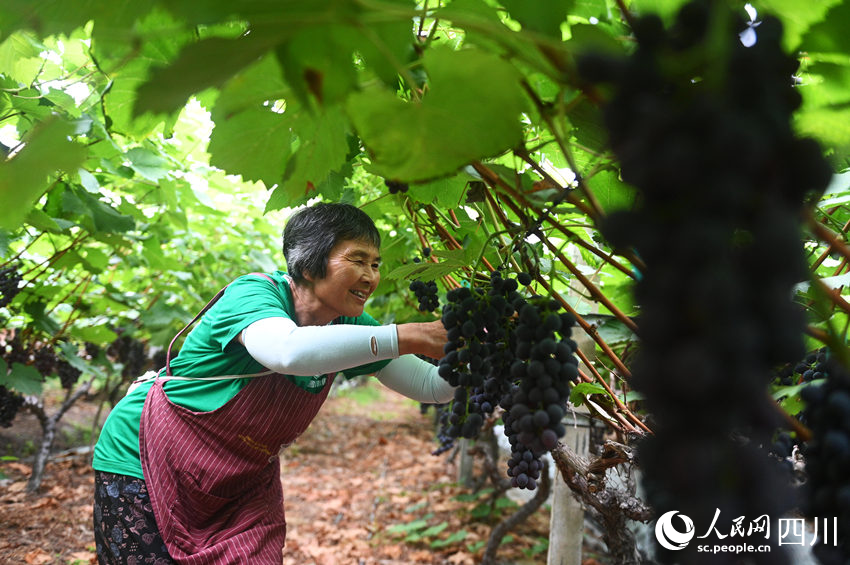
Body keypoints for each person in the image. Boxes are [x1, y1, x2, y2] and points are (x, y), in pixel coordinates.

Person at [91, 202, 454, 564]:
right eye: (357, 260)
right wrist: (410, 335)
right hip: (143, 458)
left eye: (375, 264)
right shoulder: (254, 294)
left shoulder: (355, 326)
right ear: (310, 263)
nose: (371, 276)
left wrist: (483, 350)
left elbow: (432, 387)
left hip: (237, 483)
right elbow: (287, 351)